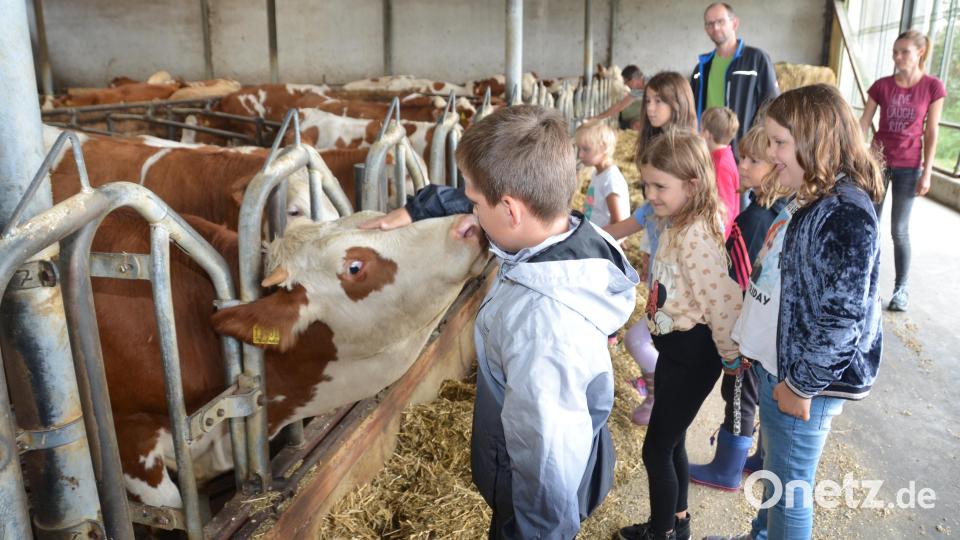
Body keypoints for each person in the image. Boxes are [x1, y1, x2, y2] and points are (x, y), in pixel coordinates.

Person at [360, 105, 640, 539]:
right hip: (545, 461)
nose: (471, 208)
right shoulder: (566, 238)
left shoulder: (541, 328)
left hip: (532, 506)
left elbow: (547, 463)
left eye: (474, 202)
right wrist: (468, 216)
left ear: (511, 210)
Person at [705, 84, 884, 540]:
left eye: (780, 142)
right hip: (779, 366)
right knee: (775, 472)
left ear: (816, 141)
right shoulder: (807, 194)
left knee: (790, 491)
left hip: (805, 381)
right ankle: (761, 533)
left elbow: (842, 319)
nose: (771, 153)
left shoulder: (844, 212)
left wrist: (801, 386)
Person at [616, 130, 743, 540]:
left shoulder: (695, 237)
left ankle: (661, 532)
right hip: (675, 352)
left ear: (692, 185)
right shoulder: (676, 220)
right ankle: (679, 521)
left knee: (656, 448)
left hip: (694, 355)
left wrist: (731, 358)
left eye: (660, 186)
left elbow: (722, 302)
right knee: (672, 442)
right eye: (646, 184)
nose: (651, 194)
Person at [688, 123, 793, 492]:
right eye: (741, 156)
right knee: (763, 394)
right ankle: (760, 456)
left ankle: (727, 469)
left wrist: (731, 336)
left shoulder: (754, 220)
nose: (742, 164)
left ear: (777, 166)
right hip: (771, 334)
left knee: (737, 394)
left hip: (747, 335)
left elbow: (741, 283)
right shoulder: (778, 211)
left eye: (753, 160)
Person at [604, 71, 697, 426]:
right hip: (660, 254)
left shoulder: (684, 149)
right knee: (655, 329)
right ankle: (658, 385)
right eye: (649, 101)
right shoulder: (656, 144)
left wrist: (613, 231)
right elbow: (651, 212)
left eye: (661, 101)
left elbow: (652, 212)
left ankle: (665, 392)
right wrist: (646, 250)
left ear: (679, 103)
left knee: (649, 335)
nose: (652, 108)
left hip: (678, 263)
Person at [859, 30, 946, 311]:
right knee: (870, 224)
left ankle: (901, 289)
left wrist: (927, 172)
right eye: (895, 52)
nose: (897, 57)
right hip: (878, 163)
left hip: (910, 165)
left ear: (920, 53)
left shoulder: (932, 87)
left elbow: (931, 132)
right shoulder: (882, 86)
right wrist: (856, 157)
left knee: (899, 230)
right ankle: (866, 283)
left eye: (904, 52)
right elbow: (863, 123)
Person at [692, 2, 779, 209]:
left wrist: (756, 143)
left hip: (742, 153)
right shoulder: (702, 67)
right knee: (714, 206)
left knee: (741, 208)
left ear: (734, 23)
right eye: (709, 24)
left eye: (720, 22)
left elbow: (772, 103)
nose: (715, 28)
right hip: (709, 151)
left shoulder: (756, 60)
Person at [576, 121, 630, 227]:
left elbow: (617, 222)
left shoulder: (610, 180)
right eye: (579, 149)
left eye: (586, 149)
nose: (580, 155)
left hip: (601, 239)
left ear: (603, 148)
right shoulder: (597, 173)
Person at [700, 106, 741, 237]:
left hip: (720, 235)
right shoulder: (719, 157)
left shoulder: (722, 164)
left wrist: (721, 238)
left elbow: (726, 206)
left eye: (701, 129)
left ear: (706, 134)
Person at [590, 64, 646, 129]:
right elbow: (620, 105)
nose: (626, 85)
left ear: (633, 79)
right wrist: (600, 117)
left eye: (626, 82)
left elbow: (620, 106)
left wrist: (599, 117)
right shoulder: (638, 90)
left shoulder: (651, 86)